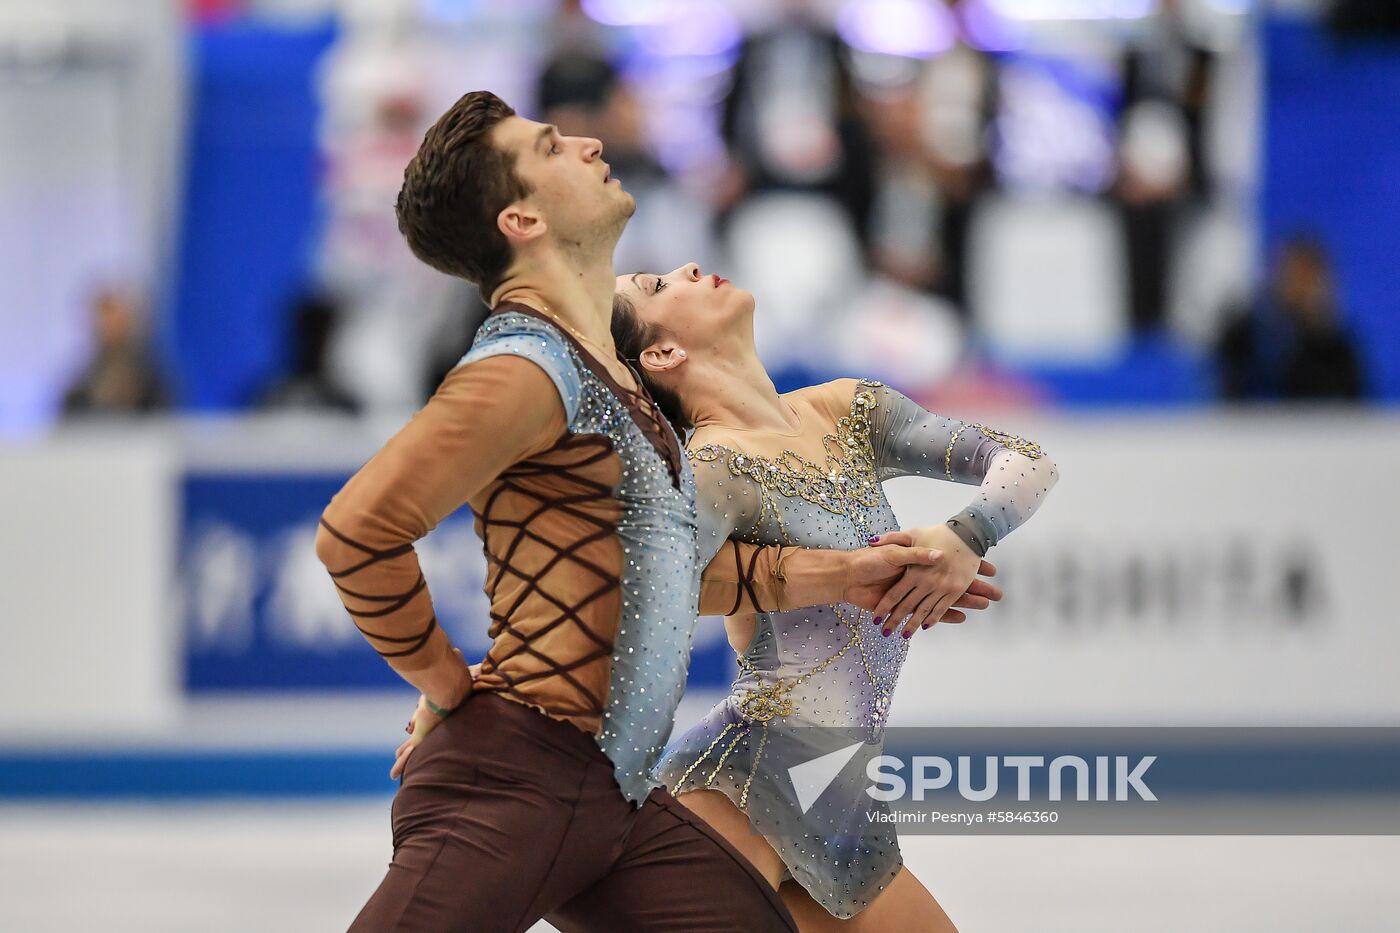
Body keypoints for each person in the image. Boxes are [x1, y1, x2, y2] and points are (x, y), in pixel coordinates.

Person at [315, 90, 997, 932]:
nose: (590, 142)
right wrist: (447, 687)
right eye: (554, 146)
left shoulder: (614, 375)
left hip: (614, 800)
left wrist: (851, 571)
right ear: (523, 219)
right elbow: (357, 530)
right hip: (515, 780)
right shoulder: (523, 367)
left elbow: (675, 569)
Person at [609, 262, 1060, 931]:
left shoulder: (847, 409)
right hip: (738, 785)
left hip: (840, 796)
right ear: (662, 353)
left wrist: (965, 535)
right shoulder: (711, 469)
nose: (689, 267)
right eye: (658, 286)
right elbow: (631, 609)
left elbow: (1030, 462)